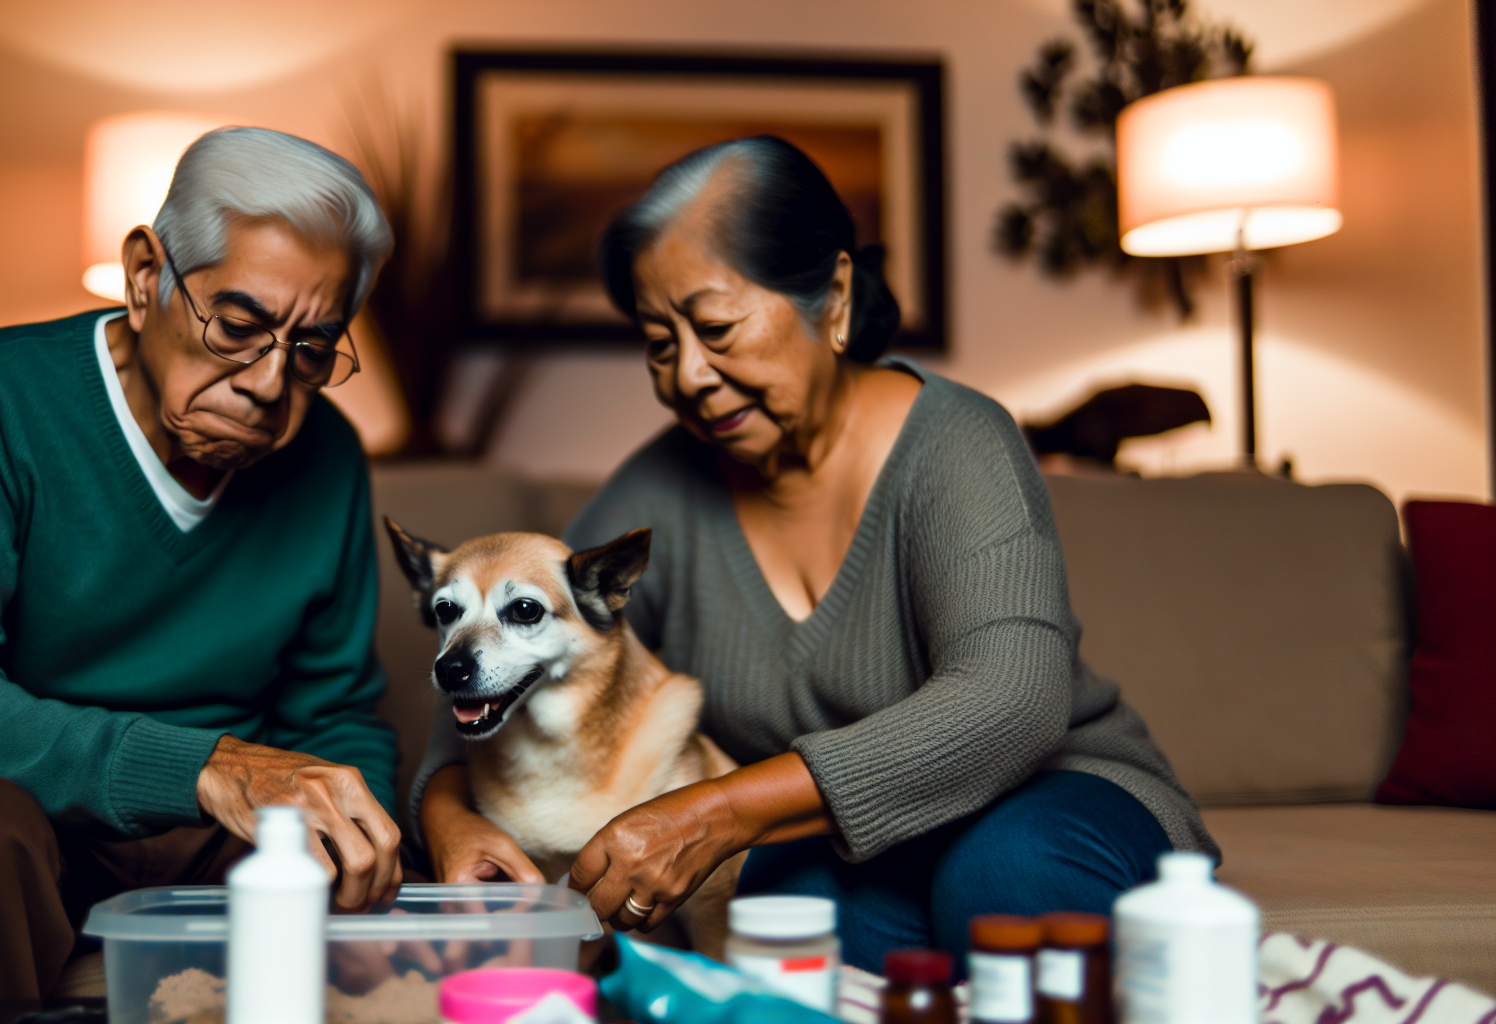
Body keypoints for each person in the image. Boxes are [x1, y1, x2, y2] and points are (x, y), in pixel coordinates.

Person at [413, 136, 1214, 971]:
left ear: (832, 297)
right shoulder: (657, 492)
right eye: (659, 342)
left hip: (1050, 800)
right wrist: (454, 822)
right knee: (796, 915)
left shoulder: (958, 444)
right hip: (846, 842)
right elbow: (495, 667)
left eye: (715, 327)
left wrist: (718, 811)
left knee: (1005, 872)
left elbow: (1011, 700)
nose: (688, 375)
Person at [0, 127, 404, 1024]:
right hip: (23, 810)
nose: (269, 384)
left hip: (229, 837)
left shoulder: (326, 456)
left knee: (321, 873)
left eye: (310, 349)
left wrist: (362, 822)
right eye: (239, 326)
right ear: (147, 276)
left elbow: (333, 713)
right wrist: (203, 767)